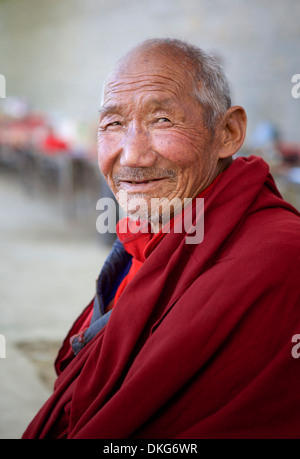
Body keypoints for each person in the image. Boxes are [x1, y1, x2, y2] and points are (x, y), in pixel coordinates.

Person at [22, 38, 300, 439]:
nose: (132, 155)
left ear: (228, 132)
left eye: (162, 120)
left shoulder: (280, 259)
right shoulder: (143, 237)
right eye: (113, 124)